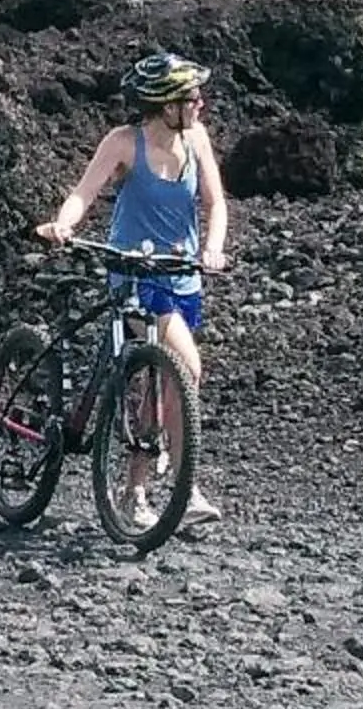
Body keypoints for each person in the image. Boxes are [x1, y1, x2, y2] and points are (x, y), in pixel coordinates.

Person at [35, 50, 231, 526]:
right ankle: (178, 490)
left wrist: (213, 247)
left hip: (180, 273)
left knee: (162, 377)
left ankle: (138, 490)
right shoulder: (124, 143)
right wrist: (62, 224)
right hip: (134, 273)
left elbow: (216, 203)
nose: (200, 104)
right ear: (166, 105)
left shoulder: (197, 139)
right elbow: (84, 192)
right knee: (186, 366)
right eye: (191, 98)